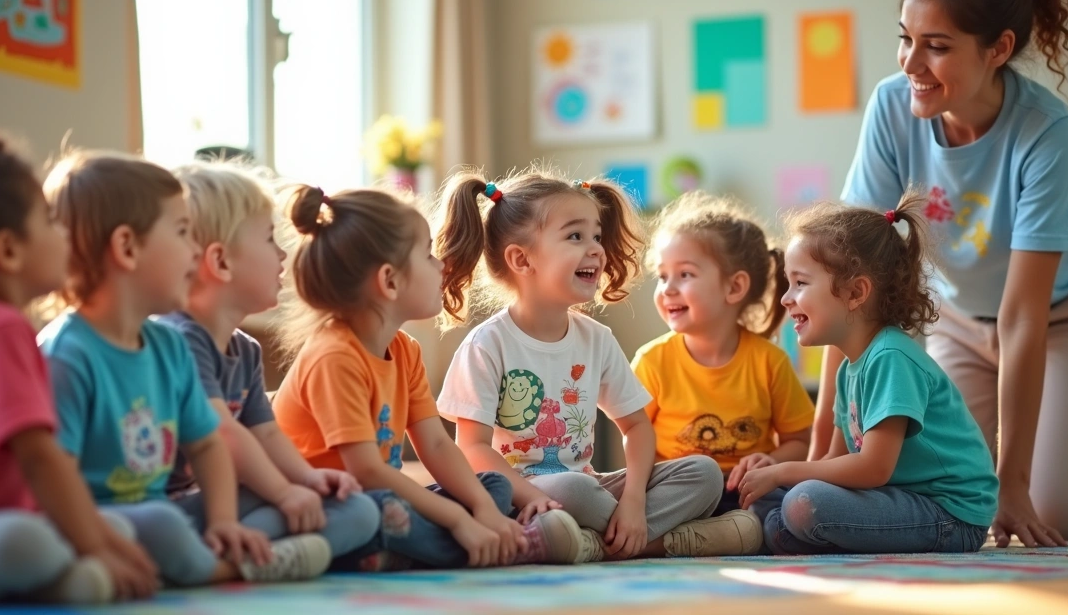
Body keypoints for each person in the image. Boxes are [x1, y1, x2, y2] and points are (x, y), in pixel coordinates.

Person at [822, 0, 1068, 546]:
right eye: (905, 38)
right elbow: (847, 280)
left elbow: (1023, 317)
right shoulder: (890, 106)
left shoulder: (1048, 131)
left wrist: (1015, 483)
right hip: (958, 321)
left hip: (1059, 318)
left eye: (937, 45)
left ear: (998, 49)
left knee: (1054, 513)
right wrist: (819, 456)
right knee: (945, 492)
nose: (911, 62)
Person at [434, 171, 759, 562]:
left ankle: (589, 544)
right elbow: (472, 449)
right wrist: (533, 496)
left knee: (704, 473)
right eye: (576, 236)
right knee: (573, 490)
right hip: (523, 498)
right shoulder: (487, 345)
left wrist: (634, 502)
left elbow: (636, 427)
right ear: (522, 259)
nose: (596, 250)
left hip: (589, 491)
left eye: (597, 236)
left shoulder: (596, 338)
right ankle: (668, 542)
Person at [41, 151, 331, 586]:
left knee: (320, 507)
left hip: (167, 509)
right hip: (97, 517)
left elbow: (209, 444)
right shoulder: (67, 354)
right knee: (162, 524)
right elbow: (52, 472)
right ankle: (231, 568)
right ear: (126, 248)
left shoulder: (168, 346)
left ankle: (201, 556)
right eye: (181, 233)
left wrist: (223, 522)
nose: (194, 251)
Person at [273, 185, 583, 570]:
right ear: (389, 281)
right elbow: (367, 471)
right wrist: (458, 519)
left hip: (382, 496)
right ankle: (512, 547)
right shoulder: (334, 357)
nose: (441, 266)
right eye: (427, 254)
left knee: (493, 487)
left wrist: (483, 509)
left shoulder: (405, 350)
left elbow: (436, 444)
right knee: (383, 510)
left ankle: (402, 553)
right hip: (331, 506)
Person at [0, 117, 158, 604]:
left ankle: (68, 583)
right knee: (23, 542)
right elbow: (39, 455)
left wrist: (100, 538)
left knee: (112, 529)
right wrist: (94, 545)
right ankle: (70, 573)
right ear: (8, 250)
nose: (63, 233)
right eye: (49, 220)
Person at [739, 193, 998, 554]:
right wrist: (775, 472)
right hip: (897, 498)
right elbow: (832, 463)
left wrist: (784, 473)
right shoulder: (848, 369)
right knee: (775, 500)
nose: (785, 298)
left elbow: (873, 468)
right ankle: (781, 529)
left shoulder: (891, 357)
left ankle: (781, 531)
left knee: (803, 502)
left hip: (950, 514)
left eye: (800, 283)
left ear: (855, 292)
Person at [157, 162, 380, 566]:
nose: (281, 254)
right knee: (273, 495)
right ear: (221, 262)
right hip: (166, 507)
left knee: (359, 510)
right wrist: (283, 491)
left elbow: (266, 433)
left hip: (210, 501)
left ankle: (243, 560)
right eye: (268, 238)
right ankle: (231, 561)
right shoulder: (178, 339)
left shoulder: (245, 350)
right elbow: (223, 431)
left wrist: (307, 478)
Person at [632, 191, 813, 517]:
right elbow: (634, 438)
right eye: (662, 276)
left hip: (746, 493)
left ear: (734, 287)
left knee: (791, 505)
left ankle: (718, 534)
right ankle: (719, 535)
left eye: (685, 274)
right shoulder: (652, 361)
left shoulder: (769, 362)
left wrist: (771, 461)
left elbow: (800, 441)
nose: (668, 288)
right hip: (677, 490)